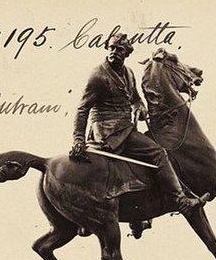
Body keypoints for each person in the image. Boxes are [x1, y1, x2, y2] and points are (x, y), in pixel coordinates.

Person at [70, 33, 205, 216]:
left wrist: (139, 107)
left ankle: (140, 217)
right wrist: (78, 138)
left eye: (120, 49)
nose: (114, 52)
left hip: (125, 128)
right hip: (108, 132)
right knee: (158, 153)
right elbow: (82, 108)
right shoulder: (98, 76)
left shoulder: (129, 73)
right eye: (111, 48)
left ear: (127, 53)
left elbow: (135, 98)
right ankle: (181, 201)